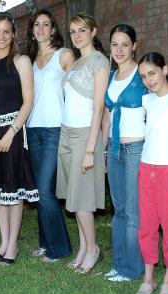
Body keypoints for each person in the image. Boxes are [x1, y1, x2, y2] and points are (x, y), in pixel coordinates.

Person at [0, 12, 38, 265]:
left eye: (6, 31)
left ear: (13, 34)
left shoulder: (21, 62)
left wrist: (12, 131)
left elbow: (28, 100)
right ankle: (3, 241)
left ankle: (13, 245)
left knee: (14, 189)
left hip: (13, 131)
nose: (1, 36)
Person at [56, 13, 108, 273]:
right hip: (66, 133)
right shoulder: (76, 63)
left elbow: (99, 107)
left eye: (82, 30)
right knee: (74, 198)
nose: (77, 35)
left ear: (94, 31)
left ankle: (94, 249)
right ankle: (83, 247)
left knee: (83, 198)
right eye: (73, 31)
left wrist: (90, 149)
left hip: (84, 135)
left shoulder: (99, 61)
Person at [25, 9, 74, 263]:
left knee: (45, 190)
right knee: (39, 190)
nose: (41, 28)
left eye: (46, 24)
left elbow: (77, 90)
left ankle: (60, 248)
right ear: (32, 30)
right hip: (32, 128)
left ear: (53, 29)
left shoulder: (63, 55)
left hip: (56, 129)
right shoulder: (29, 58)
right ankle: (45, 243)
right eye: (37, 25)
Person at [136, 52, 168, 294]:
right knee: (147, 225)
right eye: (144, 76)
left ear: (164, 69)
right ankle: (148, 278)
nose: (149, 80)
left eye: (152, 73)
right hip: (147, 168)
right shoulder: (147, 101)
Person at [102, 24, 147, 282]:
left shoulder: (142, 74)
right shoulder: (110, 76)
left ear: (134, 46)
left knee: (133, 210)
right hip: (114, 148)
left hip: (136, 149)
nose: (119, 50)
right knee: (118, 209)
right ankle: (119, 264)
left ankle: (133, 268)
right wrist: (105, 150)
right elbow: (107, 116)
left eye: (125, 44)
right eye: (115, 44)